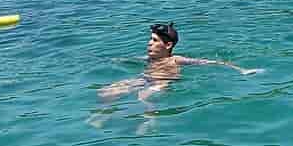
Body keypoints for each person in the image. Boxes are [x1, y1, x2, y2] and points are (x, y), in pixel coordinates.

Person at [98, 23, 260, 104]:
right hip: (145, 78)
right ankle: (101, 115)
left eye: (154, 41)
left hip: (162, 82)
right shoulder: (149, 60)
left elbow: (211, 62)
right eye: (149, 39)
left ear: (168, 45)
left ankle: (148, 120)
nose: (149, 43)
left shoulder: (176, 60)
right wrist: (113, 60)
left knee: (143, 97)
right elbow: (129, 60)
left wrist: (241, 70)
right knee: (107, 92)